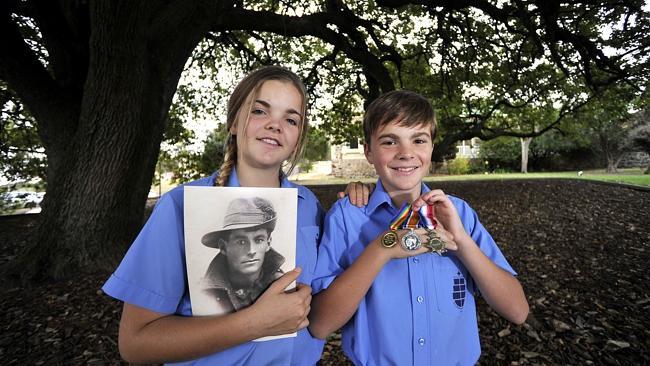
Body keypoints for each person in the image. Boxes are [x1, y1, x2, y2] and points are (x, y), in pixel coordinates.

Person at [102, 65, 371, 365]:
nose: (275, 125)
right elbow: (135, 345)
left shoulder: (308, 206)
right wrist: (253, 323)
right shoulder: (179, 206)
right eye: (260, 111)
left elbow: (324, 301)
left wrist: (358, 201)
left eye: (291, 119)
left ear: (298, 136)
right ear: (233, 122)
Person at [308, 90, 529, 365]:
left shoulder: (458, 213)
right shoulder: (348, 217)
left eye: (419, 140)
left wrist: (462, 242)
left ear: (431, 148)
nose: (406, 153)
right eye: (389, 141)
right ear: (368, 151)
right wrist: (383, 248)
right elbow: (320, 325)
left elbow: (518, 312)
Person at [200, 197, 284, 314]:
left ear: (268, 243)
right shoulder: (202, 294)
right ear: (223, 247)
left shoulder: (283, 283)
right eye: (241, 242)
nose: (251, 250)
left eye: (259, 240)